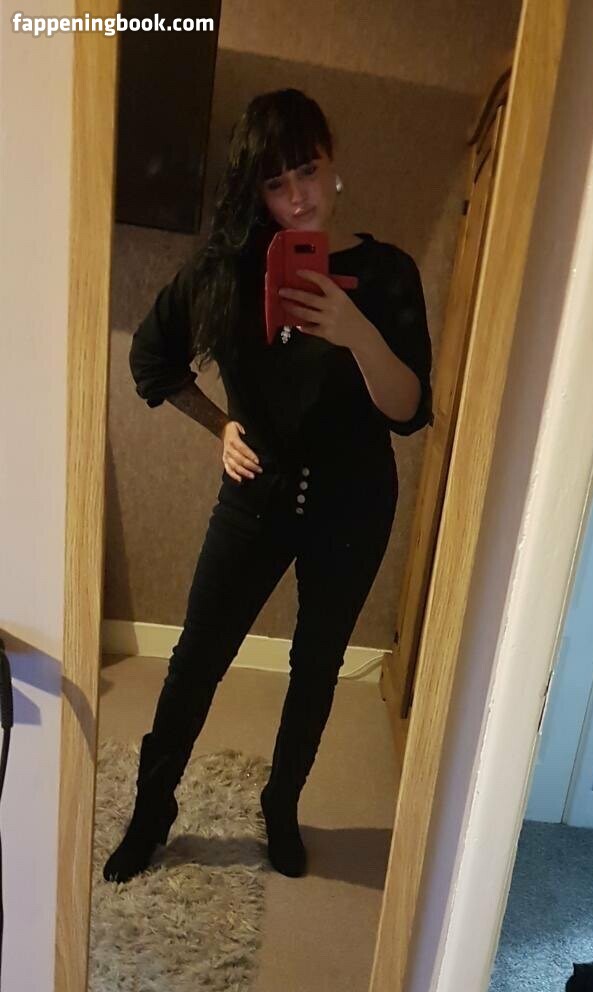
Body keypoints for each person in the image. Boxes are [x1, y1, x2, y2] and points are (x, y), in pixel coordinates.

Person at [103, 87, 433, 885]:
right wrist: (221, 426)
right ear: (257, 192)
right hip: (257, 497)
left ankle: (280, 806)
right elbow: (152, 360)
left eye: (307, 172)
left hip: (353, 501)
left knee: (317, 667)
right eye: (277, 184)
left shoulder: (387, 272)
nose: (298, 199)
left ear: (332, 163)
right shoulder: (225, 272)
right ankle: (152, 809)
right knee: (195, 659)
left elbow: (408, 411)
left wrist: (355, 333)